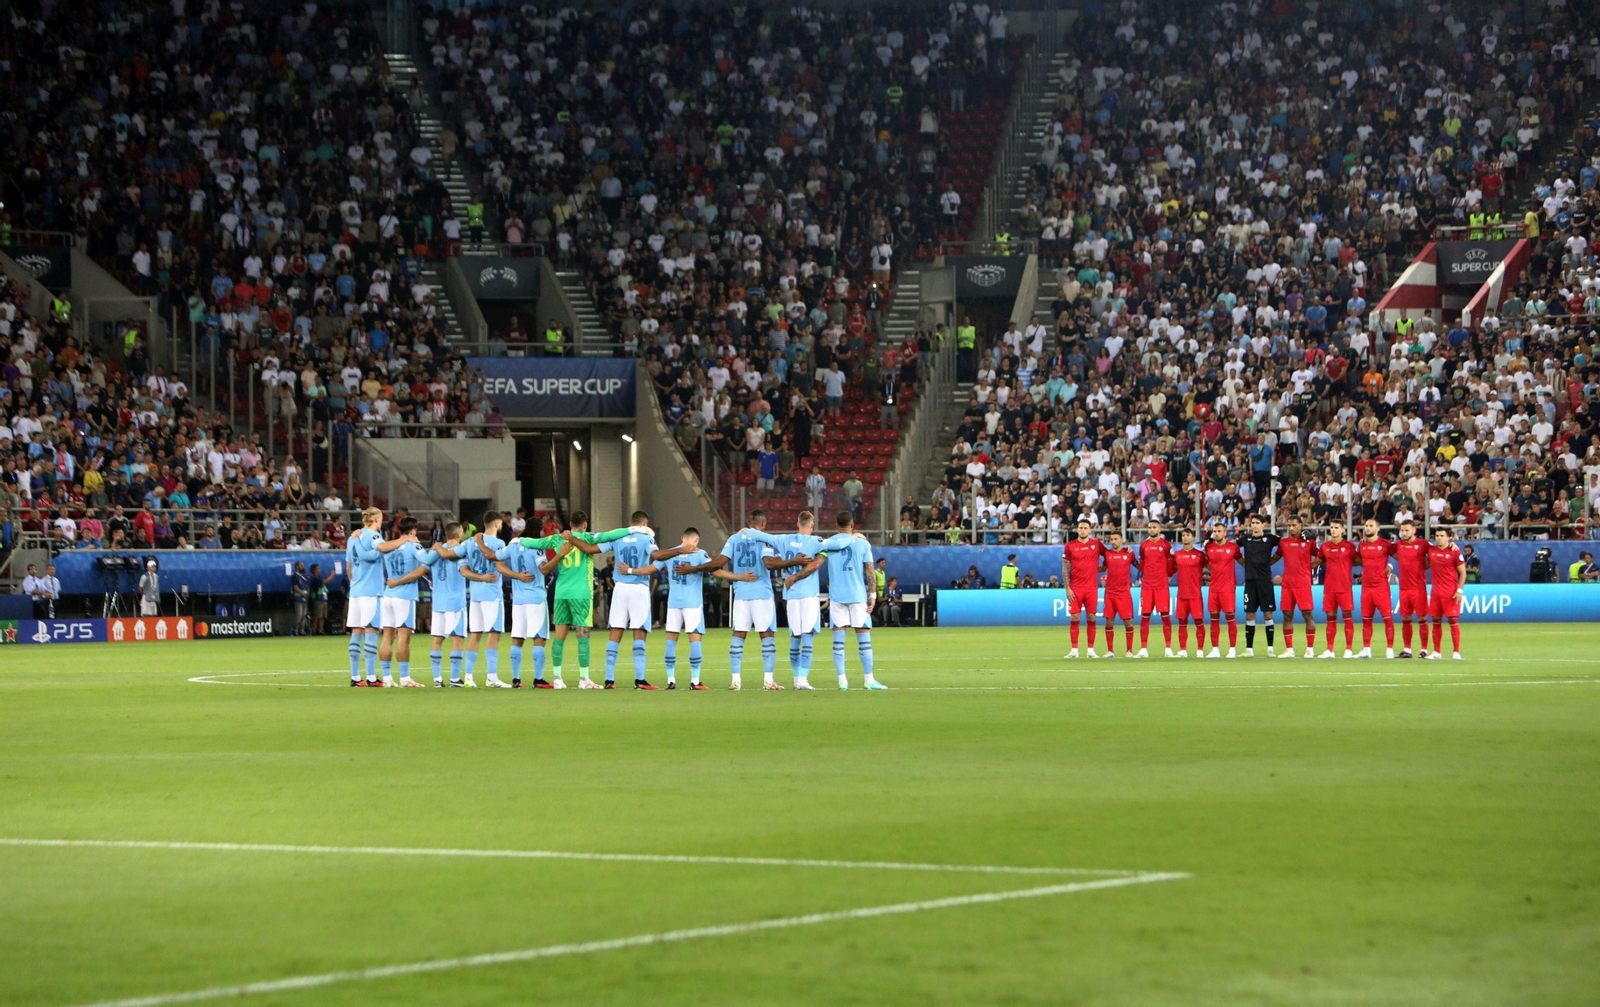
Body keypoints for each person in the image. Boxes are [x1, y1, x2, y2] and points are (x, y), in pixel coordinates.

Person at [677, 512, 784, 691]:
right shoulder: (765, 540)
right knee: (766, 636)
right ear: (763, 524)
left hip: (741, 593)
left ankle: (735, 680)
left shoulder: (734, 539)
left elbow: (718, 562)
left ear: (747, 522)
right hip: (761, 593)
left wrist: (694, 568)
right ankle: (768, 680)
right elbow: (768, 563)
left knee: (738, 636)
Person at [654, 527, 753, 690]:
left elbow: (652, 566)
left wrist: (631, 571)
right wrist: (738, 577)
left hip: (673, 603)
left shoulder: (670, 553)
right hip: (692, 603)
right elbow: (716, 571)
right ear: (696, 540)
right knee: (695, 640)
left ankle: (671, 680)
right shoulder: (700, 554)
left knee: (671, 641)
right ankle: (695, 681)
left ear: (682, 538)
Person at [540, 513, 631, 688]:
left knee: (559, 638)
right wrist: (633, 528)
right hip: (580, 594)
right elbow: (611, 534)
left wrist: (518, 542)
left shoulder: (558, 538)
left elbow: (534, 543)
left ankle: (557, 679)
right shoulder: (588, 538)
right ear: (585, 524)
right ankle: (584, 679)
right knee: (583, 636)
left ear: (570, 524)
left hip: (561, 593)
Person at [604, 511, 692, 690]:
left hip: (619, 587)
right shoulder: (647, 538)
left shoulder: (618, 537)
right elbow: (657, 556)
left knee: (615, 632)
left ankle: (609, 679)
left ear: (631, 523)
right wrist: (680, 549)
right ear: (645, 524)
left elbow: (594, 548)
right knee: (639, 632)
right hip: (638, 588)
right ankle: (639, 680)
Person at [494, 529, 572, 687]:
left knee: (517, 638)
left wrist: (516, 575)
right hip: (535, 598)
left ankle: (516, 679)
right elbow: (544, 569)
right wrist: (560, 555)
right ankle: (538, 679)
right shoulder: (537, 548)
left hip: (518, 600)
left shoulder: (513, 546)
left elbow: (498, 563)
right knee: (539, 638)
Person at [816, 511, 885, 689]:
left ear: (836, 526)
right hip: (857, 596)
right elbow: (870, 571)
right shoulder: (862, 543)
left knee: (838, 642)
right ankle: (869, 680)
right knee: (864, 640)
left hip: (837, 596)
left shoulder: (829, 543)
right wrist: (873, 595)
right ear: (852, 525)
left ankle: (842, 681)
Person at [346, 507, 408, 686]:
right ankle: (372, 677)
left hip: (356, 591)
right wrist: (399, 541)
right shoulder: (374, 537)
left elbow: (349, 566)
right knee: (371, 631)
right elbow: (375, 551)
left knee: (356, 632)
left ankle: (356, 677)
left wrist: (354, 584)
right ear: (376, 519)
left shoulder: (352, 539)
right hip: (371, 591)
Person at [455, 512, 510, 688]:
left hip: (475, 595)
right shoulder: (499, 543)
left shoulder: (469, 542)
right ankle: (492, 677)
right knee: (494, 634)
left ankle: (469, 677)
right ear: (497, 523)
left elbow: (462, 569)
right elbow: (498, 563)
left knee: (475, 634)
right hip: (492, 594)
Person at [774, 511, 827, 688]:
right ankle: (803, 679)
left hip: (791, 595)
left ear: (797, 524)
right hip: (809, 595)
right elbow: (836, 542)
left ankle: (797, 679)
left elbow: (762, 535)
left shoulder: (784, 539)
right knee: (808, 637)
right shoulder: (816, 542)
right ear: (811, 525)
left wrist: (746, 531)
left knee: (794, 637)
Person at [376, 517, 426, 687]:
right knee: (403, 638)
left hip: (388, 595)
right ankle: (405, 678)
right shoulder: (414, 546)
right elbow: (425, 565)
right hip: (404, 596)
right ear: (413, 530)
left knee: (387, 638)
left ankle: (387, 678)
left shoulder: (391, 546)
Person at [418, 523, 469, 685]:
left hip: (438, 602)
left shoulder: (435, 552)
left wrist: (436, 547)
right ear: (458, 534)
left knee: (437, 640)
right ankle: (454, 678)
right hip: (455, 602)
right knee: (457, 639)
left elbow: (424, 563)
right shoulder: (460, 551)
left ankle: (437, 679)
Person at [1274, 517, 1320, 659]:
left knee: (1308, 615)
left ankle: (1310, 649)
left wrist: (1311, 566)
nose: (1291, 528)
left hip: (1303, 584)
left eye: (1294, 525)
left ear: (1300, 525)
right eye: (1289, 525)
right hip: (1287, 584)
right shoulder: (1283, 543)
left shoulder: (1308, 542)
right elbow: (1275, 558)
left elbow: (1320, 555)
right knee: (1287, 616)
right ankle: (1289, 649)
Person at [1061, 519, 1105, 658]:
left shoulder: (1096, 544)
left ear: (1090, 530)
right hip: (1075, 588)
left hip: (1091, 588)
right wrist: (1067, 588)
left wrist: (1101, 568)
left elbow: (1110, 555)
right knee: (1075, 617)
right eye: (1080, 528)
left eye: (1086, 528)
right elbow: (1064, 569)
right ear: (1077, 530)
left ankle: (1091, 650)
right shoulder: (1070, 546)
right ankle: (1074, 650)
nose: (1083, 530)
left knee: (1091, 617)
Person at [1237, 516, 1279, 656]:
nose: (1254, 526)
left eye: (1257, 523)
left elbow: (1286, 544)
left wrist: (1273, 560)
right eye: (1253, 523)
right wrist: (1243, 562)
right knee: (1250, 614)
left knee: (1267, 613)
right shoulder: (1245, 539)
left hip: (1265, 581)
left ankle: (1270, 649)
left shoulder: (1270, 539)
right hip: (1250, 581)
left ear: (1263, 525)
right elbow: (1231, 547)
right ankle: (1249, 649)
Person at [1357, 519, 1397, 659]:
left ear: (1378, 528)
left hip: (1381, 587)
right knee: (1366, 620)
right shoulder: (1361, 544)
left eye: (1371, 526)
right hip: (1366, 587)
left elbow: (1400, 557)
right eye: (1366, 526)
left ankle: (1390, 649)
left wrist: (1390, 568)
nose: (1368, 528)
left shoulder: (1385, 544)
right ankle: (1366, 649)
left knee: (1387, 619)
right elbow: (1359, 560)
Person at [1318, 520, 1358, 659]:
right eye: (1332, 528)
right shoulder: (1325, 546)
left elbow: (1359, 561)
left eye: (1336, 528)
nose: (1333, 530)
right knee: (1330, 618)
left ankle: (1349, 649)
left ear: (1343, 530)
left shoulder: (1349, 546)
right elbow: (1317, 561)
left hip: (1344, 587)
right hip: (1329, 587)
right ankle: (1330, 649)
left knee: (1347, 617)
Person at [1393, 520, 1432, 658]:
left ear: (1414, 530)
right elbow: (1388, 550)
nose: (1404, 533)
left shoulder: (1423, 544)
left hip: (1418, 588)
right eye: (1402, 530)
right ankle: (1407, 650)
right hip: (1403, 588)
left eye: (1407, 530)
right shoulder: (1398, 545)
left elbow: (1436, 551)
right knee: (1405, 619)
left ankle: (1424, 650)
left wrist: (1451, 545)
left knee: (1422, 618)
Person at [1427, 529, 1467, 660]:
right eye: (1437, 535)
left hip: (1450, 592)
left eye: (1442, 536)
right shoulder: (1431, 550)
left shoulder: (1454, 551)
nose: (1439, 538)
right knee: (1435, 622)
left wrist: (1459, 590)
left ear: (1449, 537)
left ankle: (1456, 651)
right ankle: (1436, 652)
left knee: (1453, 621)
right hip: (1435, 592)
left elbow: (1463, 573)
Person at [1137, 520, 1175, 657]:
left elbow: (1171, 564)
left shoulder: (1165, 545)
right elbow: (1142, 564)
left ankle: (1168, 648)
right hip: (1147, 586)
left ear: (1159, 529)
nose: (1151, 530)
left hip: (1161, 586)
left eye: (1154, 527)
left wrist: (1168, 577)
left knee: (1165, 616)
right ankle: (1143, 649)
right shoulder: (1143, 546)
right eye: (1149, 527)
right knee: (1145, 617)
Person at [1204, 524, 1242, 658]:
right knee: (1214, 619)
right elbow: (1206, 562)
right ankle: (1215, 649)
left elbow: (1241, 561)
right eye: (1214, 531)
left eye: (1219, 531)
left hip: (1227, 588)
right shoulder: (1209, 547)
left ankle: (1232, 649)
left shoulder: (1233, 548)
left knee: (1230, 618)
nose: (1216, 533)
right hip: (1213, 588)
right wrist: (1215, 570)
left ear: (1225, 532)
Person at [1101, 531, 1138, 657]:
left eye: (1116, 539)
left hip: (1124, 593)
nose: (1113, 542)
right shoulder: (1107, 554)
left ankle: (1129, 650)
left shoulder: (1129, 553)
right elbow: (1103, 568)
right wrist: (1088, 569)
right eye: (1111, 539)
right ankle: (1110, 651)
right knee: (1109, 622)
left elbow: (1138, 566)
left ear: (1122, 539)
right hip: (1110, 593)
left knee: (1127, 622)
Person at [1172, 529, 1208, 657]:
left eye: (1188, 535)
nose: (1185, 537)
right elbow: (1171, 570)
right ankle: (1183, 650)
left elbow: (1211, 567)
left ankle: (1200, 650)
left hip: (1195, 594)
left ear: (1192, 537)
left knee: (1199, 622)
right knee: (1182, 622)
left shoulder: (1199, 555)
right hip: (1182, 594)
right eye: (1183, 535)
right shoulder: (1177, 555)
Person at [291, 562, 311, 635]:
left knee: (304, 615)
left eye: (303, 565)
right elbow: (295, 587)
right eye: (301, 565)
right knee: (299, 614)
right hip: (298, 597)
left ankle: (302, 630)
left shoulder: (305, 576)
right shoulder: (295, 576)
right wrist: (302, 594)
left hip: (305, 598)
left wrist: (307, 593)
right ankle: (295, 629)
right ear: (297, 567)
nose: (303, 567)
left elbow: (306, 586)